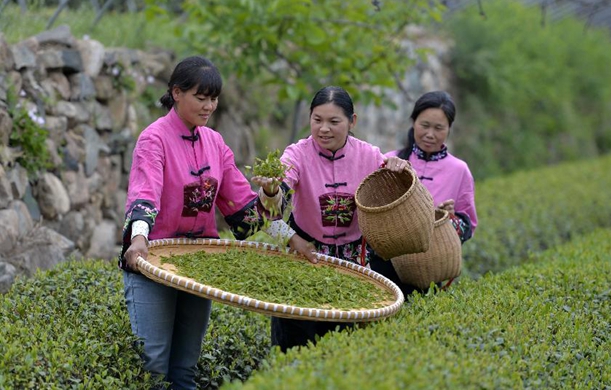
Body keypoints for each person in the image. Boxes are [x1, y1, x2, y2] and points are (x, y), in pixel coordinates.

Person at [119, 56, 292, 390]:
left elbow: (243, 211)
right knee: (152, 365)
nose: (209, 106)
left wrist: (283, 222)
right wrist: (138, 238)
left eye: (214, 98)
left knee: (185, 368)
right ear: (177, 93)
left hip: (199, 268)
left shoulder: (216, 144)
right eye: (201, 97)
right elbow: (145, 193)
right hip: (153, 262)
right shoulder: (153, 139)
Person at [261, 86, 409, 353]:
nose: (324, 129)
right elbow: (267, 215)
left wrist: (399, 168)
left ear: (352, 121)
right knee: (296, 346)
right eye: (317, 120)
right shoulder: (296, 155)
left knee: (346, 349)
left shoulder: (369, 156)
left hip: (353, 267)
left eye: (334, 122)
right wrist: (289, 232)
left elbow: (394, 188)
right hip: (305, 259)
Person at [370, 90, 478, 297]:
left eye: (439, 128)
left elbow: (468, 225)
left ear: (449, 129)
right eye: (424, 125)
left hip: (428, 269)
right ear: (413, 122)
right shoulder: (391, 161)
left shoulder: (459, 170)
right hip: (384, 267)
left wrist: (449, 217)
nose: (430, 134)